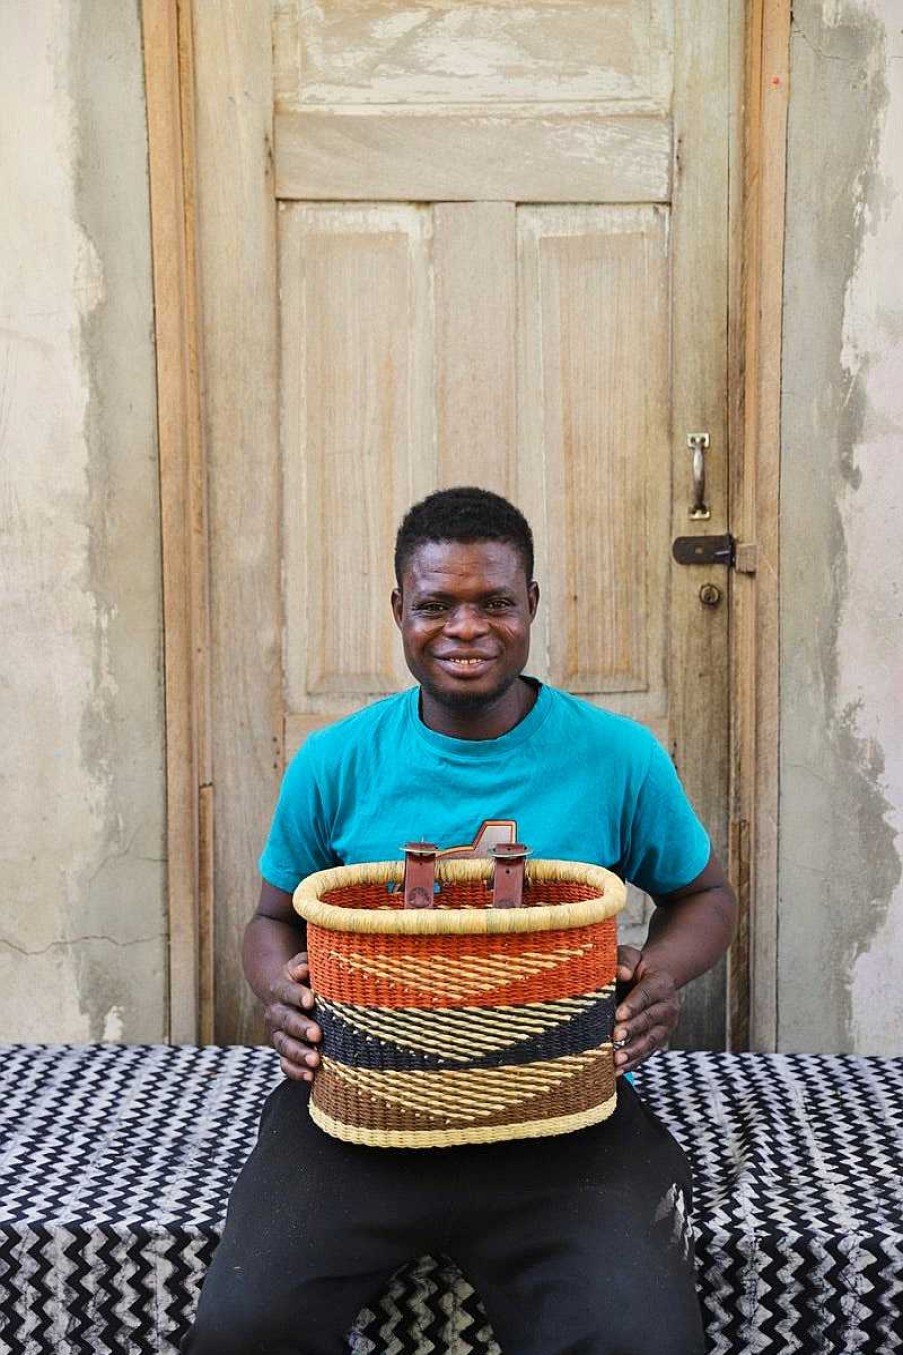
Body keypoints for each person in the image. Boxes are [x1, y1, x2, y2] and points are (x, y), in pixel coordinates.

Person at [185, 486, 737, 1355]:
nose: (466, 628)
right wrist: (276, 992)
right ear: (397, 608)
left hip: (559, 1110)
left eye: (495, 603)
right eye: (435, 604)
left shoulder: (617, 755)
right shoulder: (336, 759)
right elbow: (270, 919)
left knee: (642, 1341)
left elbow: (706, 895)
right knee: (242, 1329)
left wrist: (661, 972)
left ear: (532, 607)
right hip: (361, 1108)